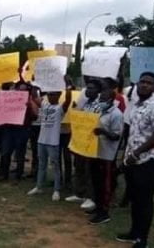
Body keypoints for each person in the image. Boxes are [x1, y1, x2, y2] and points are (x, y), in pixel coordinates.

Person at [116, 72, 154, 248]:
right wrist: (126, 155)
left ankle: (142, 239)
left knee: (145, 201)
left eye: (149, 83)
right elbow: (131, 132)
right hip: (131, 161)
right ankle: (134, 232)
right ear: (137, 84)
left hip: (146, 161)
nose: (144, 85)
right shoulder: (136, 105)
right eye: (142, 82)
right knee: (135, 199)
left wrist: (137, 153)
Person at [27, 79, 73, 200]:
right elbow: (33, 96)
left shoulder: (60, 109)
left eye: (53, 94)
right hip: (41, 140)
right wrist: (35, 83)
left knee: (55, 166)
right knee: (41, 164)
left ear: (58, 95)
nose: (51, 96)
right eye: (49, 94)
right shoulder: (44, 104)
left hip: (53, 142)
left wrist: (67, 86)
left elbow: (68, 100)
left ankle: (56, 190)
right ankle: (39, 186)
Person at [65, 79, 102, 211]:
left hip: (91, 143)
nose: (88, 90)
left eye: (92, 88)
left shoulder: (100, 105)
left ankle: (90, 197)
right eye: (88, 88)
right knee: (79, 167)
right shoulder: (85, 103)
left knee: (89, 170)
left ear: (98, 91)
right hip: (81, 141)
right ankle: (79, 193)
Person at [88, 87, 123, 225]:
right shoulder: (98, 111)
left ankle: (104, 212)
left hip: (107, 154)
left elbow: (116, 135)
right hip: (95, 151)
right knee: (96, 182)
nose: (100, 100)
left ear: (111, 99)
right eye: (100, 98)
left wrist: (103, 131)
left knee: (105, 184)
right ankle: (97, 206)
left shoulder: (116, 114)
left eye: (103, 98)